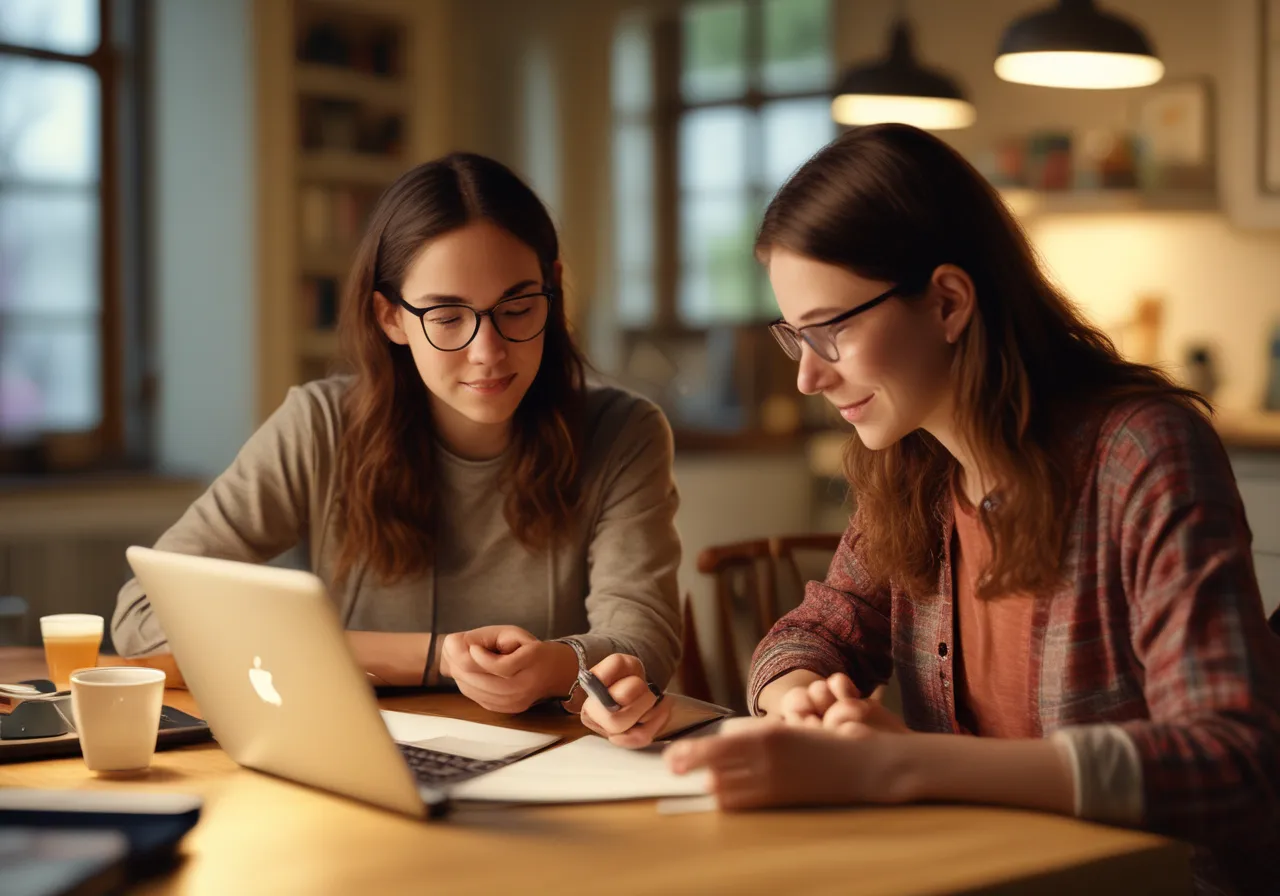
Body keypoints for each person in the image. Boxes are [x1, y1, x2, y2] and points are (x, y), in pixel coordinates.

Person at [663, 124, 1280, 895]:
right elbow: (813, 632)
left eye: (833, 331)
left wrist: (901, 766)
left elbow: (1233, 759)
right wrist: (802, 701)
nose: (808, 379)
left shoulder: (1141, 452)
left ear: (948, 303)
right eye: (797, 337)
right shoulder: (915, 465)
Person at [112, 152, 676, 737]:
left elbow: (645, 637)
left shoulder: (623, 433)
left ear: (553, 291)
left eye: (517, 308)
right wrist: (436, 657)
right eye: (447, 316)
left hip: (548, 758)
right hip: (357, 750)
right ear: (390, 317)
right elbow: (144, 617)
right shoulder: (318, 427)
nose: (488, 351)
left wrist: (556, 666)